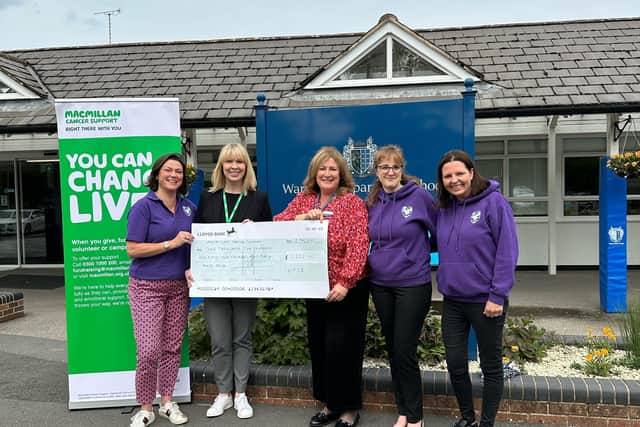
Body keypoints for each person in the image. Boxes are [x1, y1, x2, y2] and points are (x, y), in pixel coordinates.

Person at [274, 146, 369, 427]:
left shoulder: (351, 203)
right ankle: (330, 405)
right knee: (321, 347)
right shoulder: (303, 199)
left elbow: (358, 245)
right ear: (314, 173)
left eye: (333, 169)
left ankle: (350, 409)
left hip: (346, 290)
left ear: (341, 174)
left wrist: (345, 282)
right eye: (322, 169)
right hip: (314, 286)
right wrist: (300, 218)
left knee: (344, 348)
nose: (327, 173)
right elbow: (278, 224)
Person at [189, 143, 272, 420]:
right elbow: (196, 238)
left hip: (247, 280)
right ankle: (223, 393)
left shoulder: (258, 199)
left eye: (240, 162)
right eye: (228, 162)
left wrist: (257, 231)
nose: (234, 167)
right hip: (214, 282)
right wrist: (191, 268)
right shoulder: (208, 197)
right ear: (221, 166)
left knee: (242, 338)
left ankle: (241, 395)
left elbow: (270, 241)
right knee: (220, 340)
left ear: (247, 166)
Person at [435, 150, 518, 427]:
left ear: (472, 172)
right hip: (453, 300)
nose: (454, 180)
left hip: (486, 301)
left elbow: (507, 251)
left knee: (490, 367)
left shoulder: (494, 203)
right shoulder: (445, 209)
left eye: (459, 173)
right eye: (448, 176)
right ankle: (468, 417)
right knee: (456, 364)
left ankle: (487, 423)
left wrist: (498, 294)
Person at [366, 145, 437, 427]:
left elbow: (439, 232)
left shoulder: (419, 196)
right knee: (393, 349)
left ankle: (416, 416)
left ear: (402, 169)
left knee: (405, 349)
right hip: (380, 284)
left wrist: (420, 255)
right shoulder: (373, 201)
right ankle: (403, 411)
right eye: (384, 167)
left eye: (395, 166)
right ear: (376, 172)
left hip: (412, 283)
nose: (390, 172)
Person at [126, 153, 195, 427]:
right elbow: (132, 249)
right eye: (168, 170)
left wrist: (190, 266)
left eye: (178, 171)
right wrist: (170, 244)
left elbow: (193, 244)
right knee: (148, 351)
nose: (173, 175)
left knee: (171, 348)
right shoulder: (144, 207)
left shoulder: (189, 207)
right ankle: (145, 408)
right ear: (157, 174)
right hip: (146, 287)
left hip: (178, 287)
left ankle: (167, 402)